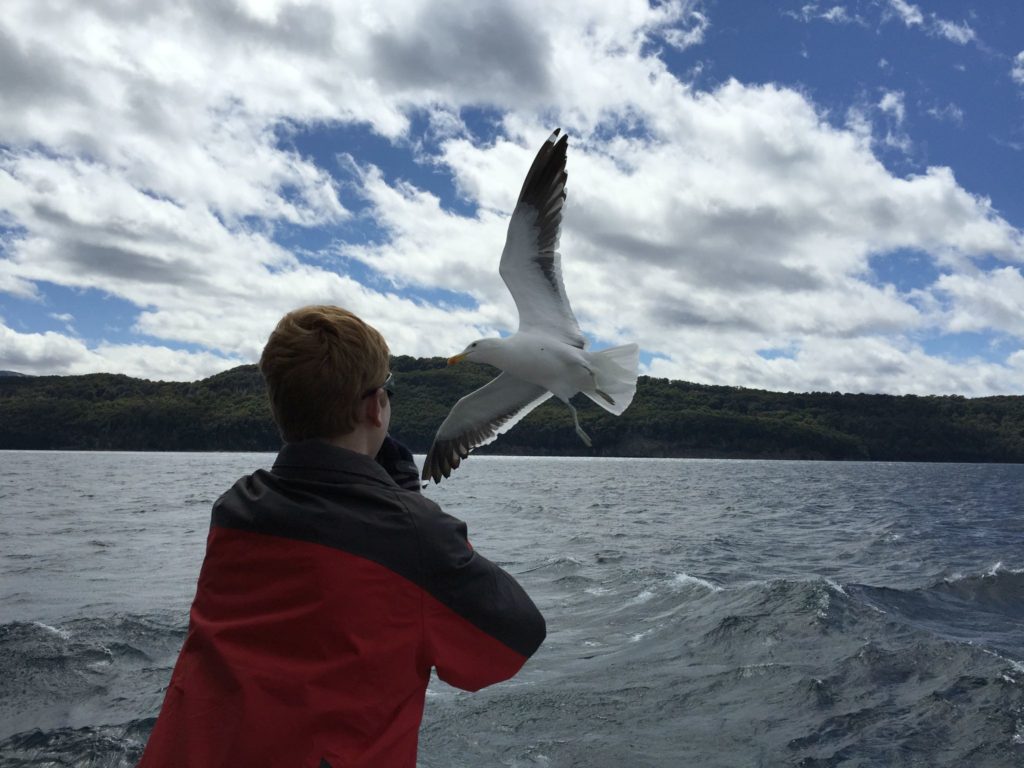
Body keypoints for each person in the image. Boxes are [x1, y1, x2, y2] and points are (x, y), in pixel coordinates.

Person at [138, 305, 546, 768]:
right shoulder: (415, 538)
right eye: (388, 391)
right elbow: (514, 638)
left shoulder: (236, 507)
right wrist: (412, 509)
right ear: (375, 406)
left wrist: (388, 499)